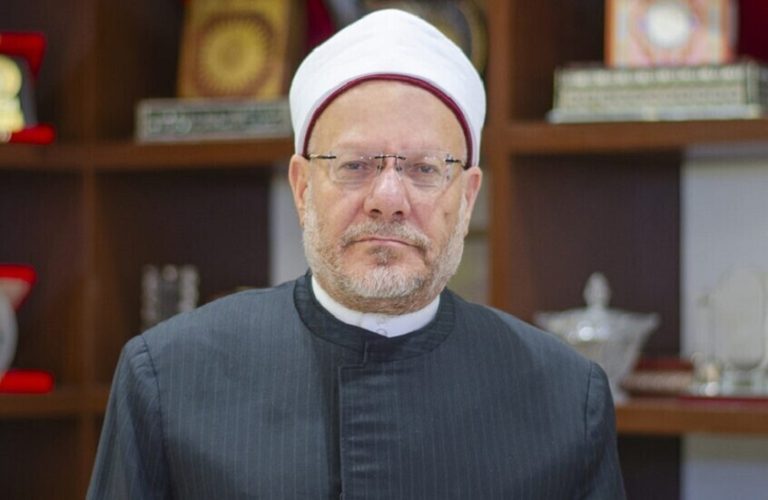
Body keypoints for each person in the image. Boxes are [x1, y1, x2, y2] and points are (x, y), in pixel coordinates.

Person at [88, 9, 625, 499]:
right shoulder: (167, 377)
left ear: (466, 197)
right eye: (354, 165)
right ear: (303, 188)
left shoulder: (566, 398)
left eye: (424, 168)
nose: (387, 199)